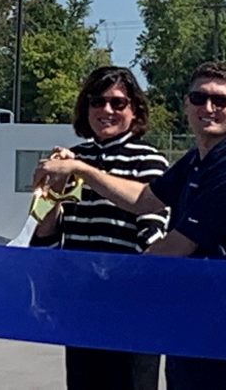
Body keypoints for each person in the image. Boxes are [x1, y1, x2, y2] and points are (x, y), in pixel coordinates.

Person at [35, 61, 226, 390]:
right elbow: (144, 198)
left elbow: (171, 246)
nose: (209, 107)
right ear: (186, 104)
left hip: (204, 318)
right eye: (199, 98)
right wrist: (71, 177)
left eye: (222, 101)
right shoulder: (199, 157)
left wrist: (111, 285)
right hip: (170, 313)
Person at [30, 66, 169, 390]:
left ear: (134, 110)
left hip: (133, 306)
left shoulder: (149, 161)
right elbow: (46, 237)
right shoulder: (73, 158)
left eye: (118, 103)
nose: (106, 110)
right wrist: (56, 189)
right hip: (83, 305)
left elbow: (152, 233)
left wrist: (83, 170)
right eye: (97, 101)